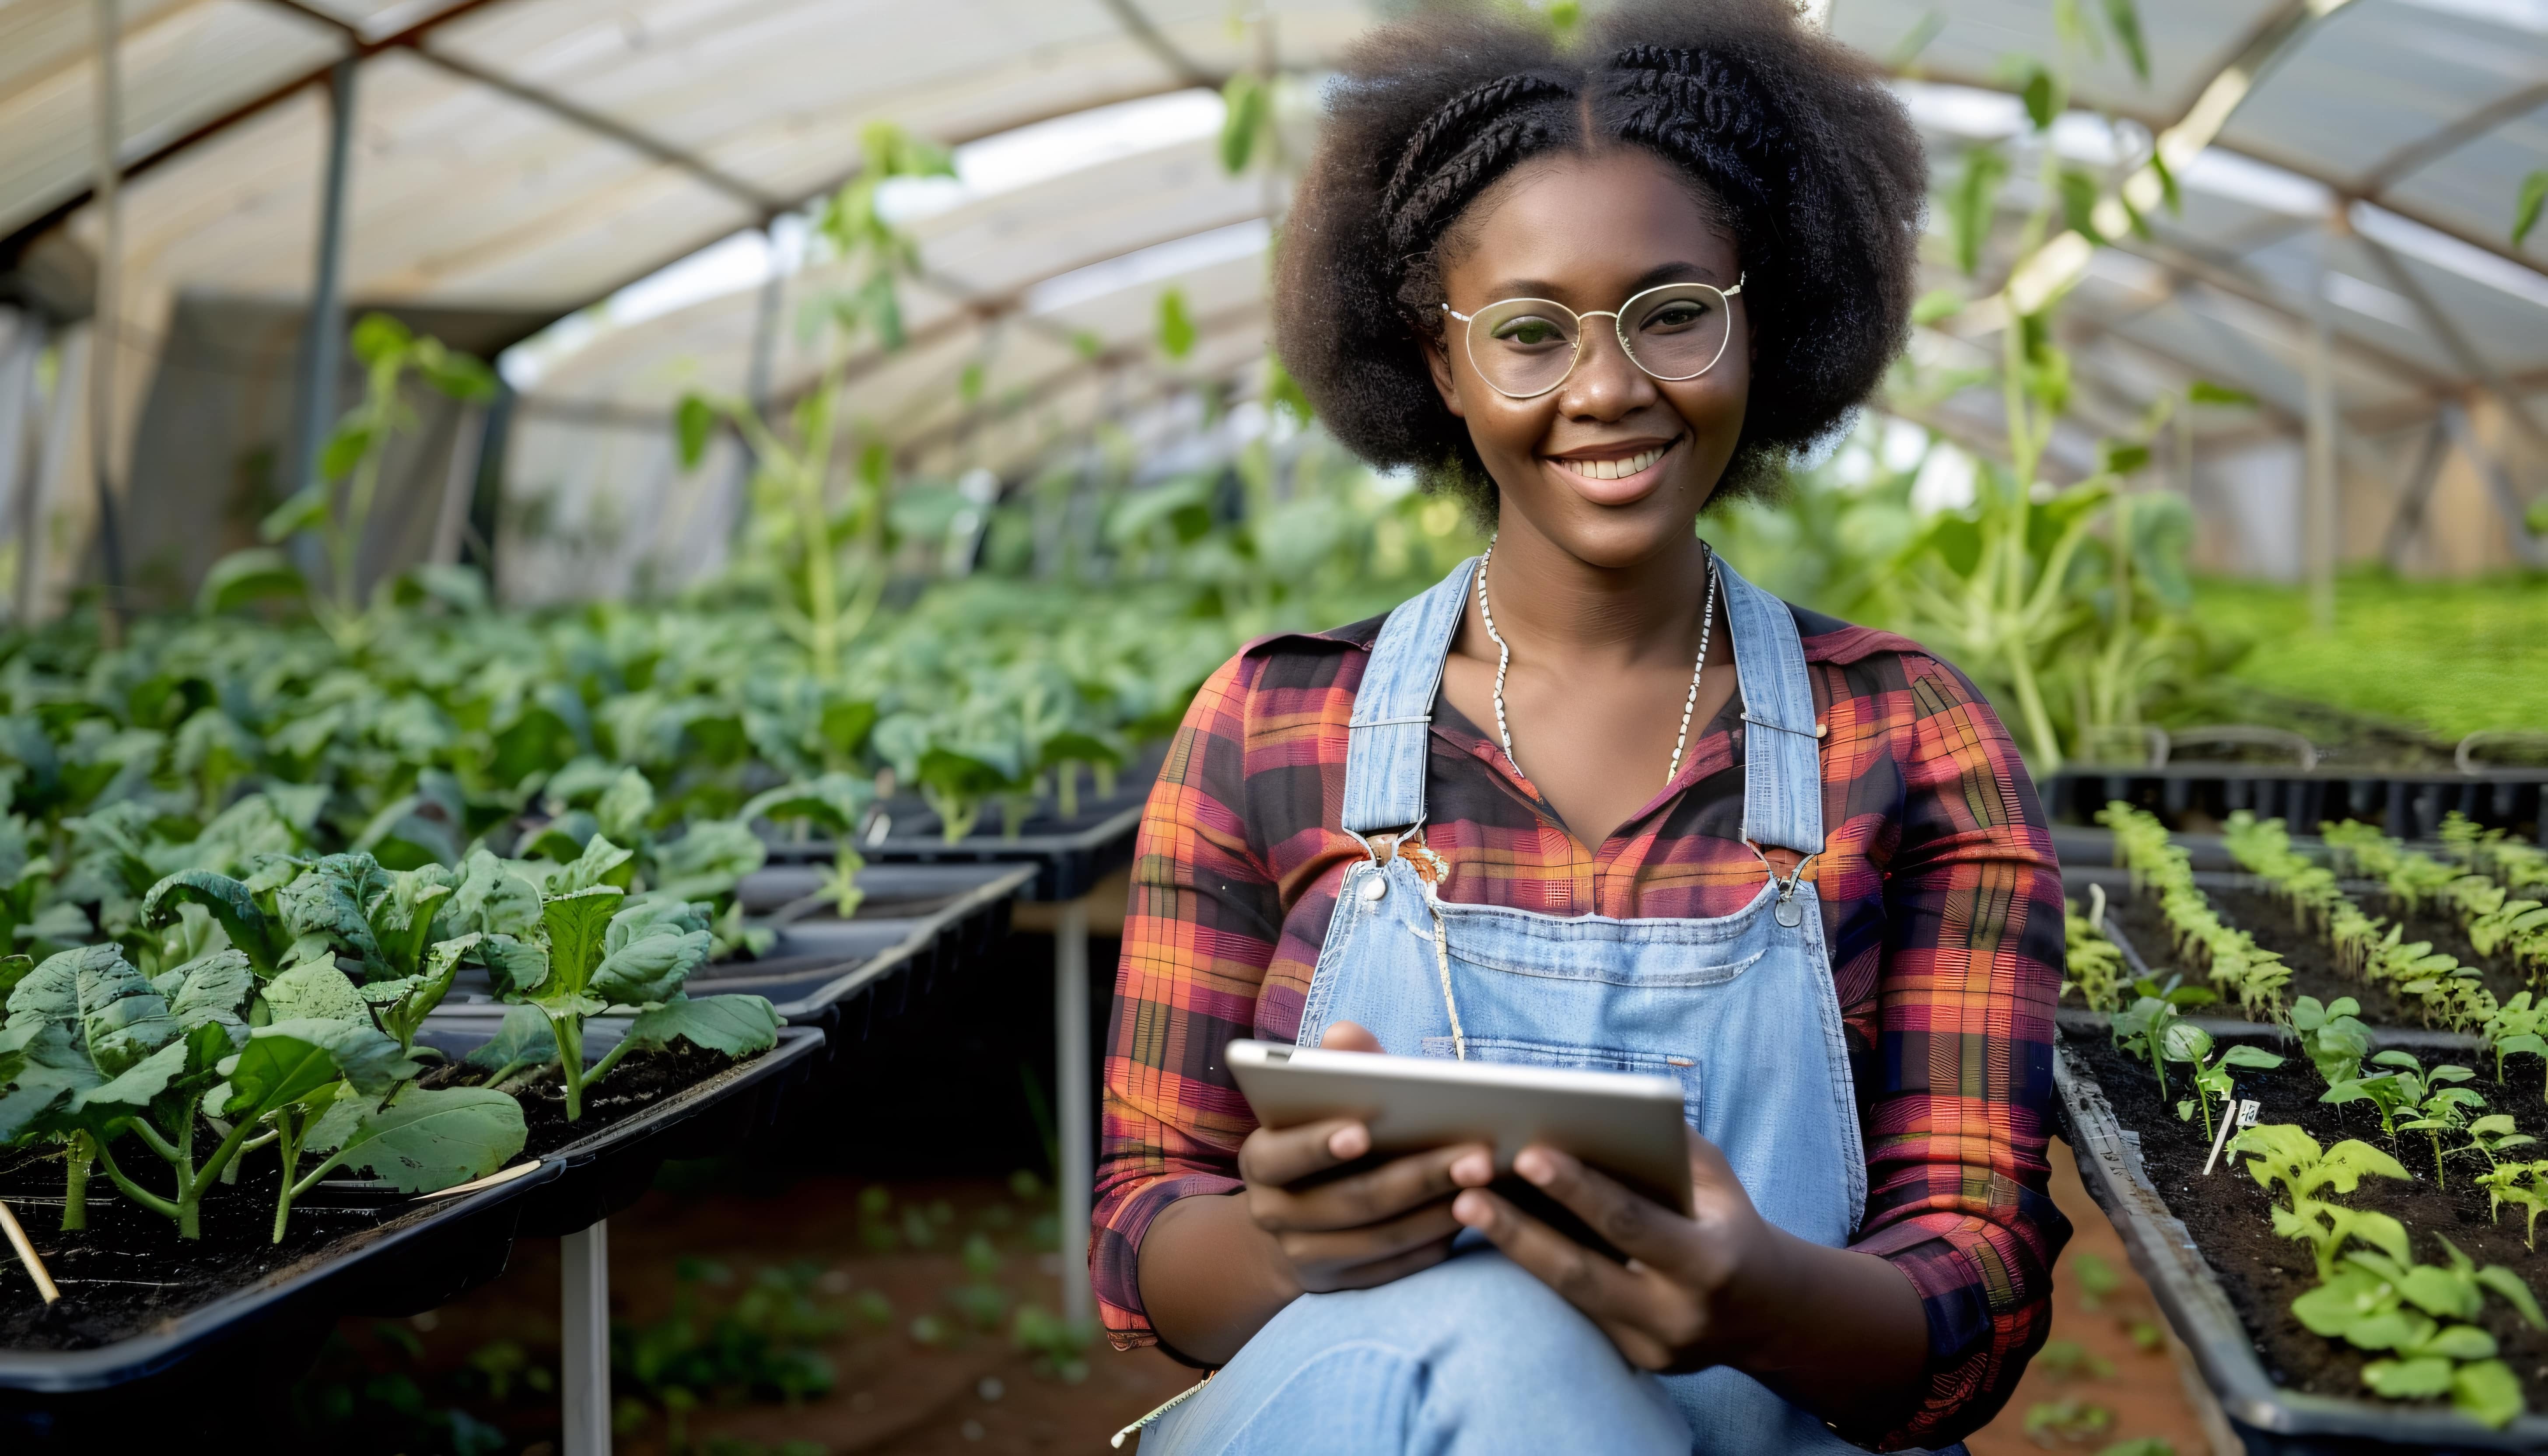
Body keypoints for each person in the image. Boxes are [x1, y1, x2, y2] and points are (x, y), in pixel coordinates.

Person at [1092, 3, 2068, 1451]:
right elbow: (1144, 1230)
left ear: (1765, 314)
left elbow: (1973, 1278)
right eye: (1529, 333)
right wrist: (1291, 1242)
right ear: (1439, 366)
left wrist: (1763, 1301)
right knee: (1490, 1336)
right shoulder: (1273, 723)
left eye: (1673, 312)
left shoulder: (1910, 741)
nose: (1608, 387)